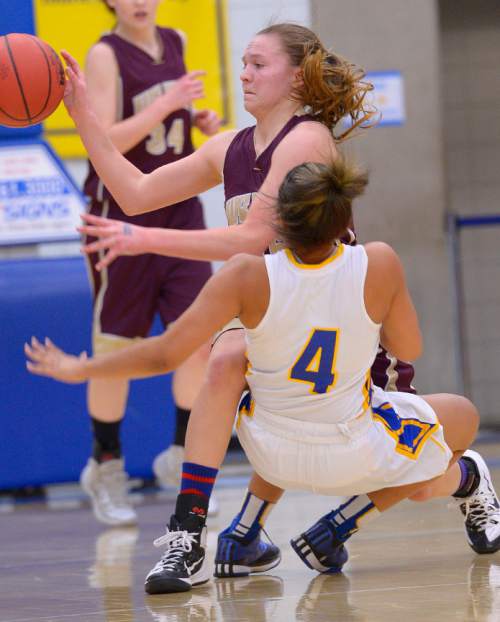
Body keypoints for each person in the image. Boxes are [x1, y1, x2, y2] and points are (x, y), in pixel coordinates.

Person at [58, 22, 499, 590]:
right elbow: (136, 193)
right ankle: (188, 537)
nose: (243, 73)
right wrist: (82, 116)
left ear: (296, 74)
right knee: (225, 363)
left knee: (417, 482)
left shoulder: (306, 138)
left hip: (335, 319)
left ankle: (464, 478)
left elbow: (250, 238)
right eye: (242, 62)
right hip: (271, 310)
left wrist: (142, 241)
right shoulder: (229, 148)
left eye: (258, 64)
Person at [79, 0, 220, 526]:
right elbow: (106, 141)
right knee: (119, 348)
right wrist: (169, 105)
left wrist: (199, 120)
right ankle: (107, 464)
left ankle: (183, 454)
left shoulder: (176, 39)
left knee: (199, 340)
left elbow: (172, 129)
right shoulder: (104, 54)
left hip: (181, 211)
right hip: (121, 214)